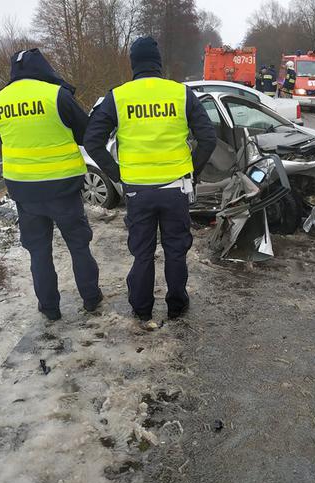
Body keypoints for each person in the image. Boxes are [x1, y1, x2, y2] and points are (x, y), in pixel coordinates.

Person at [84, 36, 216, 323]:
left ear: (134, 64)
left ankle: (142, 309)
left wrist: (118, 173)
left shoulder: (118, 97)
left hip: (137, 192)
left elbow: (92, 141)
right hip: (175, 188)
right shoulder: (181, 94)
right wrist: (192, 171)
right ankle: (177, 306)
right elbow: (208, 138)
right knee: (176, 250)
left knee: (142, 253)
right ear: (158, 64)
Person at [0, 49, 102, 321]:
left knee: (39, 252)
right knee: (78, 245)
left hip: (24, 192)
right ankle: (90, 298)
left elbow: (3, 139)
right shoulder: (56, 95)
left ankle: (49, 308)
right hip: (62, 189)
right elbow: (87, 133)